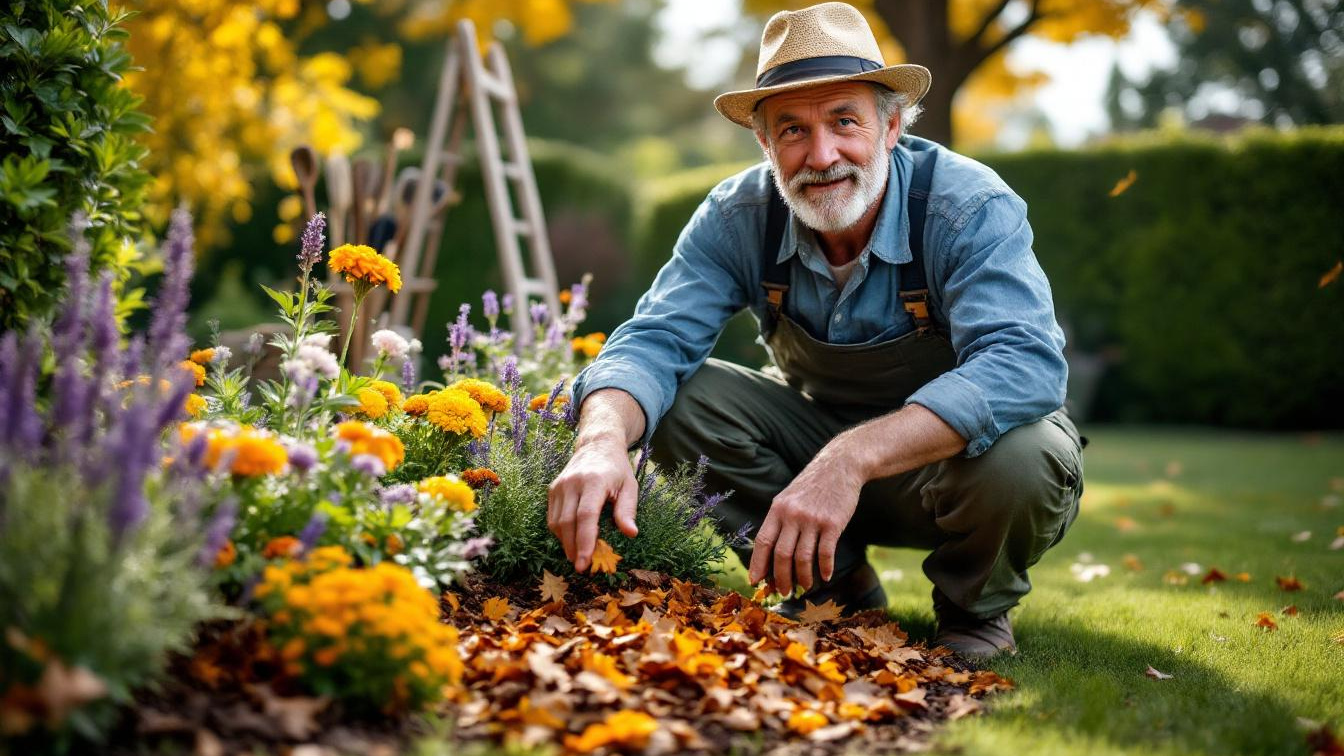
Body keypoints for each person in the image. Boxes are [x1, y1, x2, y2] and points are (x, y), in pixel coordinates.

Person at [548, 1, 1084, 660]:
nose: (821, 154)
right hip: (810, 446)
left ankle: (974, 610)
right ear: (765, 143)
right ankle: (836, 586)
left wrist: (849, 460)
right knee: (677, 396)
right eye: (793, 130)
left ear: (891, 128)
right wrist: (599, 440)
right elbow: (654, 340)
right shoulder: (737, 215)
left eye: (844, 121)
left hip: (955, 473)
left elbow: (1024, 364)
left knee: (1026, 456)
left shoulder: (967, 207)